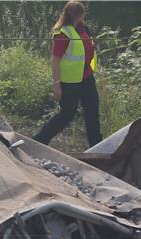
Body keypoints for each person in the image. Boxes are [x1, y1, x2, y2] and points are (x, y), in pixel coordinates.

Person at [33, 0, 102, 148]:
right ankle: (40, 140)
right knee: (67, 114)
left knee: (92, 111)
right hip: (69, 81)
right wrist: (56, 85)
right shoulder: (62, 33)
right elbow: (55, 60)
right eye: (79, 15)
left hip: (87, 78)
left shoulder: (84, 29)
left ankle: (97, 146)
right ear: (75, 15)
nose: (81, 17)